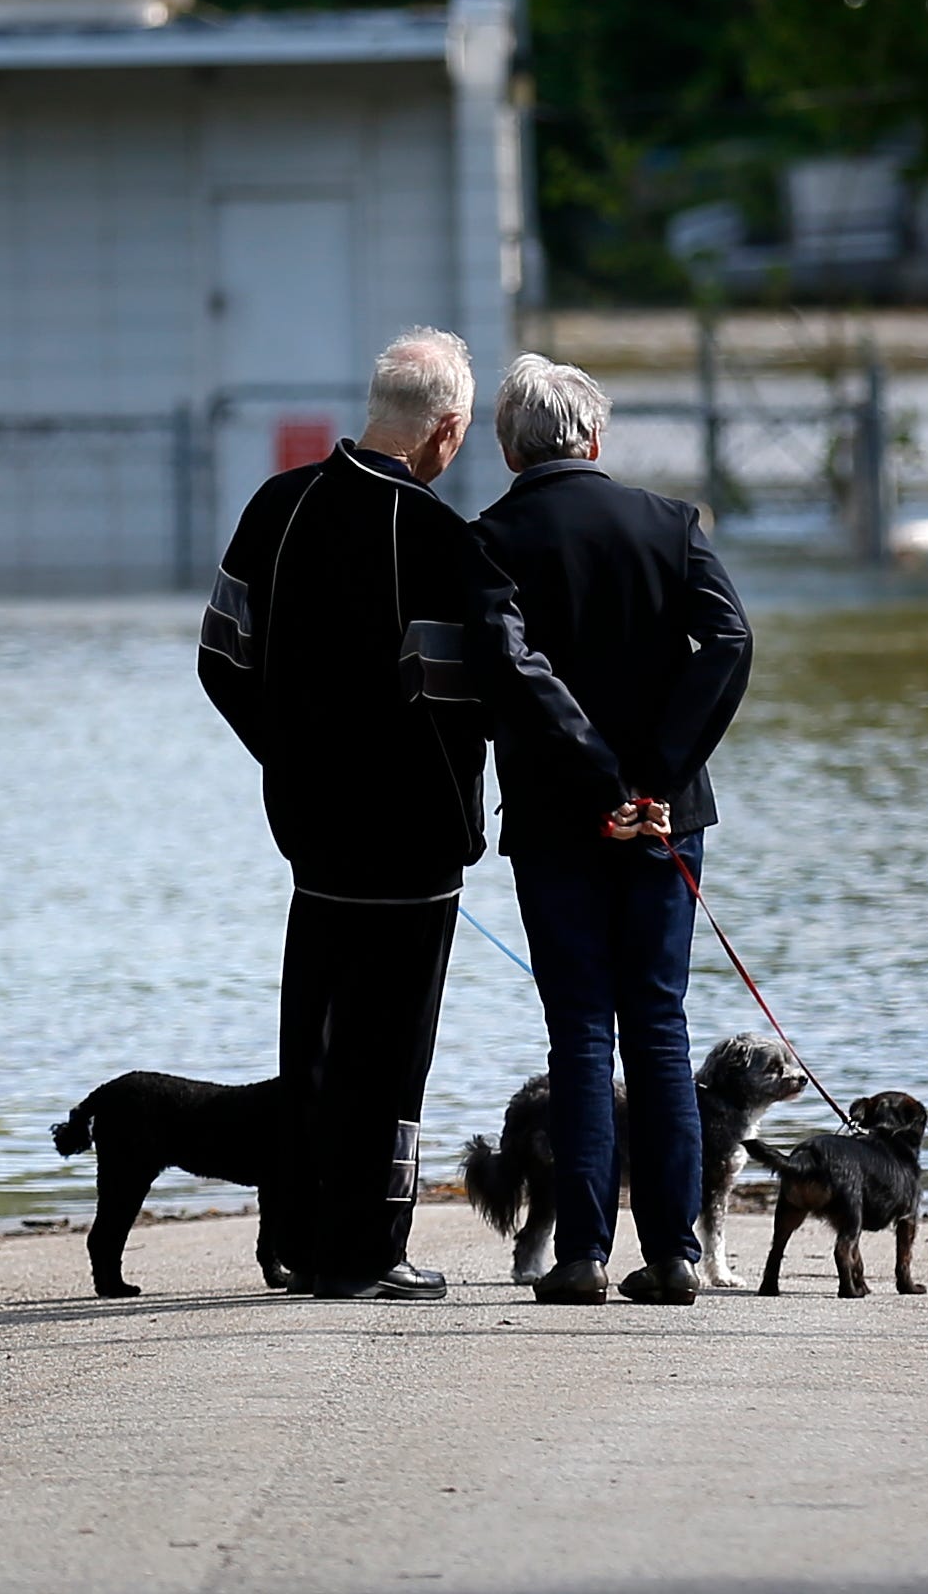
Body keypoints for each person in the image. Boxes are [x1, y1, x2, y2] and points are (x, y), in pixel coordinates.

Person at [200, 327, 626, 1300]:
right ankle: (373, 1249)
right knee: (393, 1050)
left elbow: (222, 658)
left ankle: (302, 1240)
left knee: (310, 1038)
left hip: (306, 831)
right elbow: (446, 706)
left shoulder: (278, 505)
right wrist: (463, 823)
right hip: (407, 843)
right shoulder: (434, 538)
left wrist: (288, 761)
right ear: (445, 429)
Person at [471, 354, 752, 1307]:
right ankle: (673, 1254)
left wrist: (601, 775)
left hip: (557, 819)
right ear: (594, 438)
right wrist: (657, 775)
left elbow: (514, 668)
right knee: (660, 1029)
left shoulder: (489, 540)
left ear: (510, 447)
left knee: (580, 1034)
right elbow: (730, 641)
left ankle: (583, 1256)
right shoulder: (670, 524)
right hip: (666, 820)